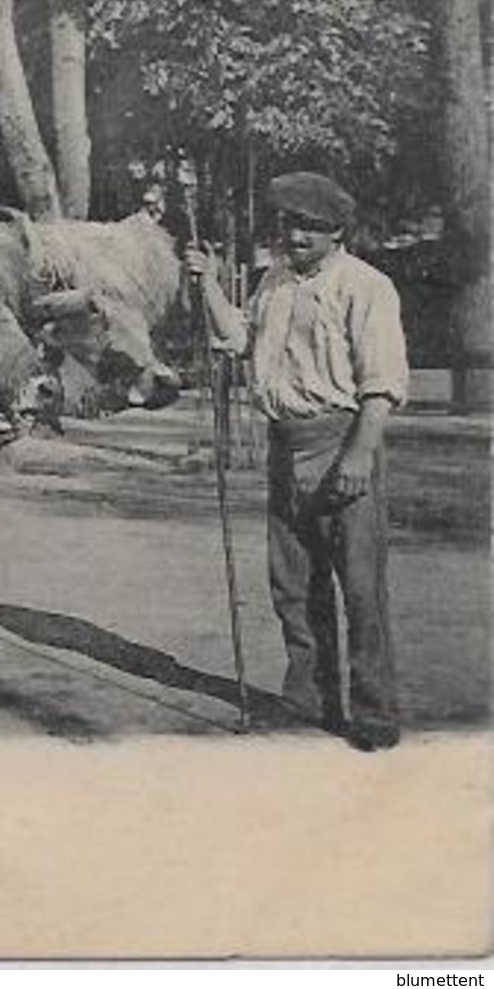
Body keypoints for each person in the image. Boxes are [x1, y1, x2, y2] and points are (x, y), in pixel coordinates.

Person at [187, 172, 409, 752]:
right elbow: (236, 339)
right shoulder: (276, 281)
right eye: (289, 223)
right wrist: (208, 283)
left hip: (342, 441)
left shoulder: (366, 286)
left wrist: (360, 455)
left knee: (360, 587)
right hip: (285, 445)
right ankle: (308, 697)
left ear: (338, 232)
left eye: (311, 226)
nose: (297, 235)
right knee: (292, 583)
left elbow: (381, 383)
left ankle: (374, 711)